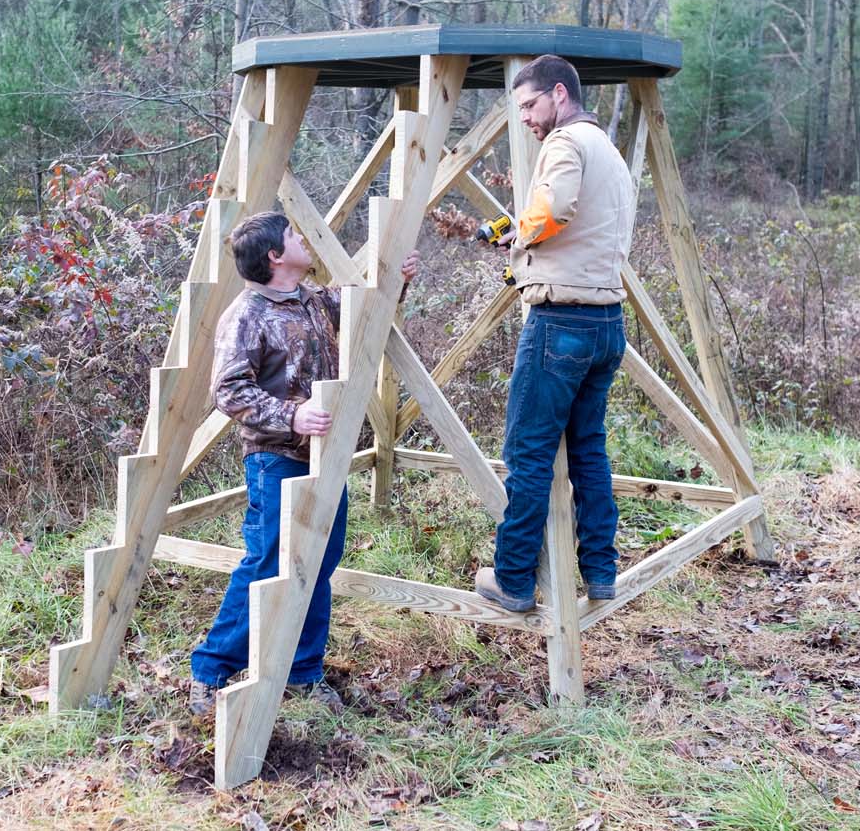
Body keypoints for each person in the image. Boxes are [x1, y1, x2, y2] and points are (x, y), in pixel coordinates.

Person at [189, 211, 420, 715]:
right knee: (268, 561)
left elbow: (358, 308)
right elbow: (228, 390)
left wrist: (394, 282)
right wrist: (291, 417)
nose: (304, 239)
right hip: (276, 457)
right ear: (275, 256)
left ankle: (302, 673)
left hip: (325, 456)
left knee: (319, 561)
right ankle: (210, 671)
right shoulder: (247, 314)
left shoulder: (311, 300)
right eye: (294, 235)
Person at [473, 55, 636, 612]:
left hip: (560, 322)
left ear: (559, 95)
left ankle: (514, 579)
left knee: (528, 450)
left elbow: (554, 210)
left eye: (528, 105)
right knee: (589, 450)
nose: (524, 118)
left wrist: (520, 233)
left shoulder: (564, 144)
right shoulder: (607, 150)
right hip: (606, 320)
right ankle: (601, 571)